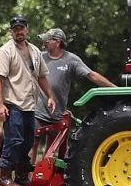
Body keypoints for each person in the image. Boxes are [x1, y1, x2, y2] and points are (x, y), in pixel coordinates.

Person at [32, 27, 115, 160]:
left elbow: (91, 75)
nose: (44, 43)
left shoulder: (71, 60)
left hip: (56, 113)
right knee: (33, 142)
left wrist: (113, 89)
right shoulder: (39, 57)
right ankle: (27, 176)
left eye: (47, 40)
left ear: (58, 42)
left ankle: (45, 178)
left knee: (51, 150)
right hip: (37, 110)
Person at [0, 16, 55, 186]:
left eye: (21, 28)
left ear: (27, 29)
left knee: (28, 140)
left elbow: (41, 76)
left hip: (29, 104)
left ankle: (21, 174)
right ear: (11, 31)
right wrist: (0, 104)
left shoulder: (35, 51)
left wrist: (50, 96)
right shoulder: (6, 51)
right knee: (14, 140)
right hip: (13, 103)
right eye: (15, 29)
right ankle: (5, 174)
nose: (19, 32)